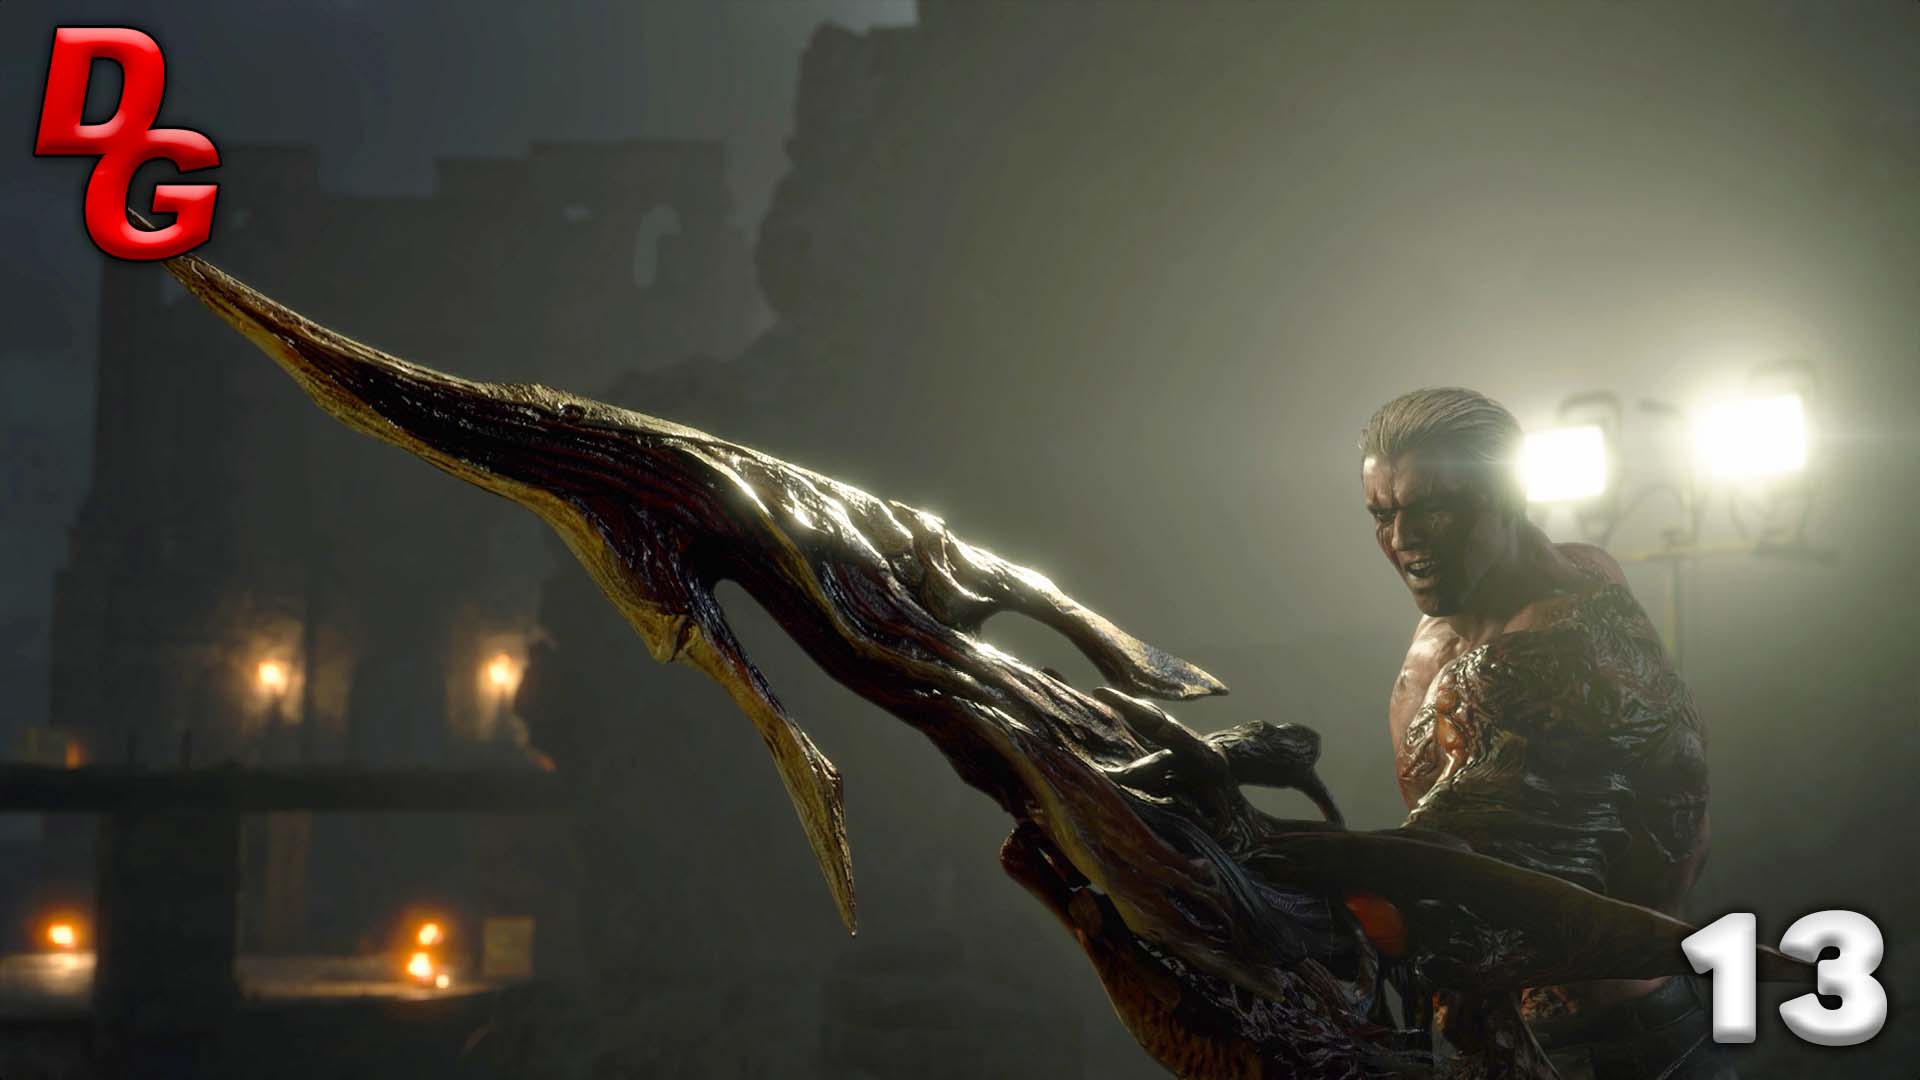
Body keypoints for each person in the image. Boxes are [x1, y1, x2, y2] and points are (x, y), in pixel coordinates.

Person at [1360, 387, 1724, 1079]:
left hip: (1598, 1050)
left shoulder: (1543, 660)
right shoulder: (1559, 575)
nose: (1403, 540)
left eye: (1434, 508)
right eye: (1383, 514)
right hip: (1539, 1037)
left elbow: (1439, 896)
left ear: (1507, 495)